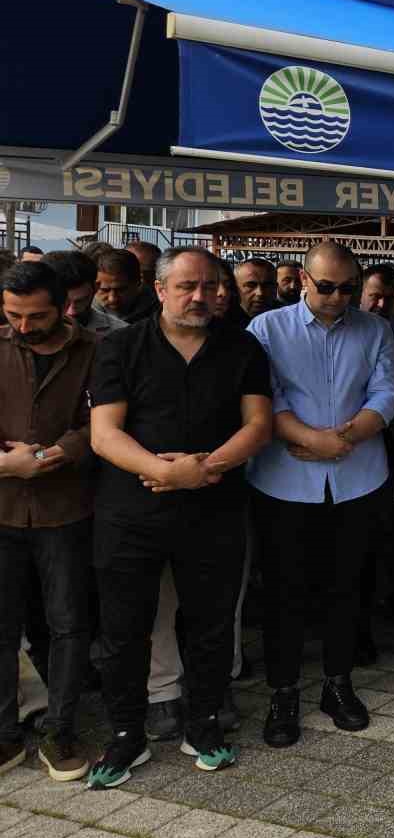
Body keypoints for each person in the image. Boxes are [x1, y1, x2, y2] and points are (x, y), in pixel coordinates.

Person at [86, 249, 273, 788]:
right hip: (130, 513)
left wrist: (204, 468)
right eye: (187, 286)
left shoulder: (242, 347)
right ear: (161, 289)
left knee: (211, 625)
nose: (199, 297)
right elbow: (104, 434)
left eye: (210, 286)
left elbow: (258, 424)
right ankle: (126, 734)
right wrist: (163, 472)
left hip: (214, 509)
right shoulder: (121, 346)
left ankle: (205, 724)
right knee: (124, 630)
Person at [246, 241, 394, 748]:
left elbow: (386, 392)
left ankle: (338, 684)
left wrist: (348, 438)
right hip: (285, 481)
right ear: (304, 281)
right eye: (327, 287)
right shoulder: (267, 328)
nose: (337, 297)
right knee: (284, 593)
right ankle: (283, 692)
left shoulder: (374, 329)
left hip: (357, 480)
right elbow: (267, 396)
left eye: (348, 288)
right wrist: (313, 440)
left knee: (345, 588)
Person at [0, 262, 97, 782]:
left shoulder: (97, 350)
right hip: (3, 506)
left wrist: (60, 452)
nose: (22, 326)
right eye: (12, 315)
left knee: (68, 625)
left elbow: (102, 420)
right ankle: (5, 732)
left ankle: (61, 729)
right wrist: (9, 465)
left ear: (65, 308)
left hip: (66, 508)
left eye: (35, 316)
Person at [44, 250, 124, 339]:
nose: (72, 312)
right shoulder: (27, 335)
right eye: (62, 302)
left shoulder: (122, 334)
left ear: (96, 288)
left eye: (81, 300)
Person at [95, 248, 155, 324]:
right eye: (104, 290)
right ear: (94, 285)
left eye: (121, 290)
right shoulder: (82, 315)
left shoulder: (160, 315)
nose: (112, 299)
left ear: (138, 284)